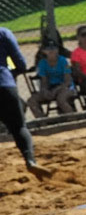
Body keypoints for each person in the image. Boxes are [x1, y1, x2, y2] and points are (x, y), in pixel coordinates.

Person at [0, 27, 52, 179]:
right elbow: (20, 62)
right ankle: (30, 160)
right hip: (4, 84)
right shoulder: (3, 33)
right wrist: (13, 72)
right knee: (19, 127)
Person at [28, 40, 75, 117]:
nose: (51, 51)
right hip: (51, 88)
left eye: (53, 48)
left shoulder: (63, 61)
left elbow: (68, 81)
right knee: (31, 101)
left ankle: (74, 118)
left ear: (57, 50)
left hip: (66, 87)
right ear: (44, 51)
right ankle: (43, 122)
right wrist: (45, 91)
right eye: (48, 49)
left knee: (61, 99)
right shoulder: (42, 63)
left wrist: (57, 90)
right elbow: (44, 81)